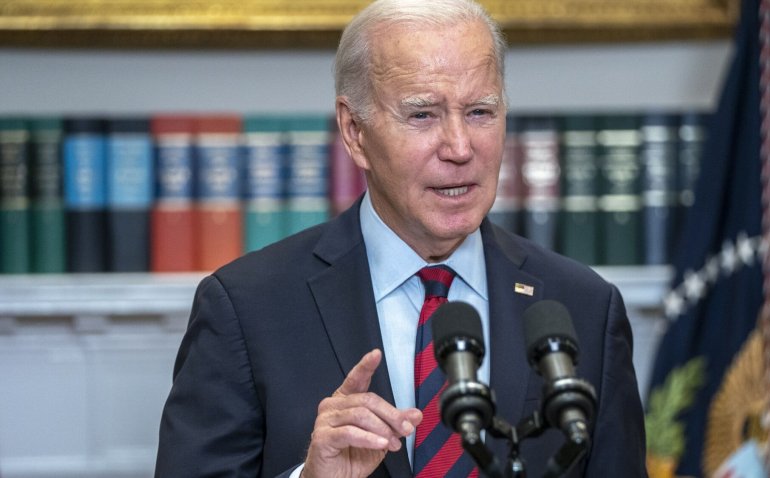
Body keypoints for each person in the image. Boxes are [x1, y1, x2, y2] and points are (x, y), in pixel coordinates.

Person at [154, 0, 648, 476]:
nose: (459, 147)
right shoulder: (246, 308)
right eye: (422, 115)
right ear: (354, 131)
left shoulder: (584, 306)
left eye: (480, 112)